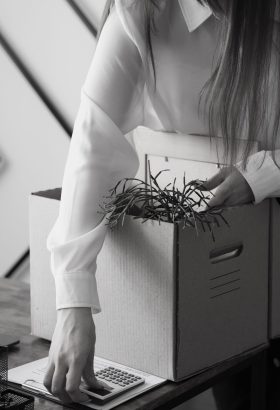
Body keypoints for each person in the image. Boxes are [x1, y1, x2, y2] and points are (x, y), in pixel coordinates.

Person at [43, 0, 280, 407]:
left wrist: (263, 173)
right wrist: (73, 301)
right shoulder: (143, 10)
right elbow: (94, 145)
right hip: (226, 270)